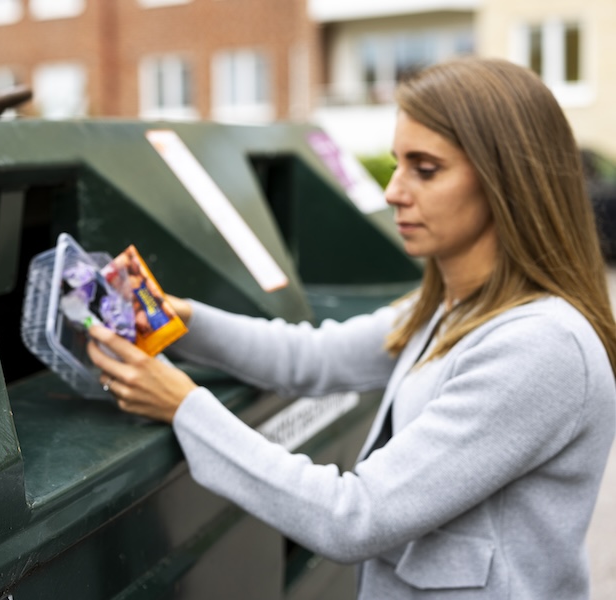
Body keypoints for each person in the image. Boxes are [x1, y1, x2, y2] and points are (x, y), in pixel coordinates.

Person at [86, 57, 616, 599]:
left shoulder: (540, 347)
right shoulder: (451, 307)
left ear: (507, 181)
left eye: (425, 169)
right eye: (396, 165)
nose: (393, 193)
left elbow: (355, 517)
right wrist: (181, 322)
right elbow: (312, 358)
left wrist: (185, 407)